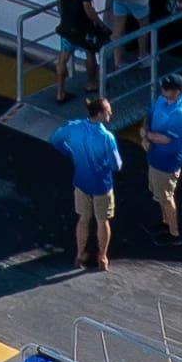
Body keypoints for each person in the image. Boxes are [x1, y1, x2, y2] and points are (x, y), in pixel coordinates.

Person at [52, 101, 124, 270]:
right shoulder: (107, 138)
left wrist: (71, 153)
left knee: (83, 219)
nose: (110, 113)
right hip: (102, 185)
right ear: (99, 114)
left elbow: (55, 140)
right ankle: (103, 257)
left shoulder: (74, 127)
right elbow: (116, 165)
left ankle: (79, 255)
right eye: (108, 111)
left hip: (81, 182)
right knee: (102, 221)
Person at [140, 71, 182, 248]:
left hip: (167, 163)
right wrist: (145, 130)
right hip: (155, 158)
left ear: (178, 91)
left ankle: (174, 233)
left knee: (166, 197)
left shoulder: (181, 114)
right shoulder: (161, 100)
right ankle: (165, 223)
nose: (163, 89)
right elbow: (148, 116)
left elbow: (166, 138)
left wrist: (146, 136)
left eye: (167, 88)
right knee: (160, 194)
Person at [51, 0, 103, 99]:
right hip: (82, 26)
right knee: (90, 52)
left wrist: (64, 17)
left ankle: (59, 93)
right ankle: (92, 83)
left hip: (66, 25)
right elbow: (87, 7)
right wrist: (99, 22)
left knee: (63, 58)